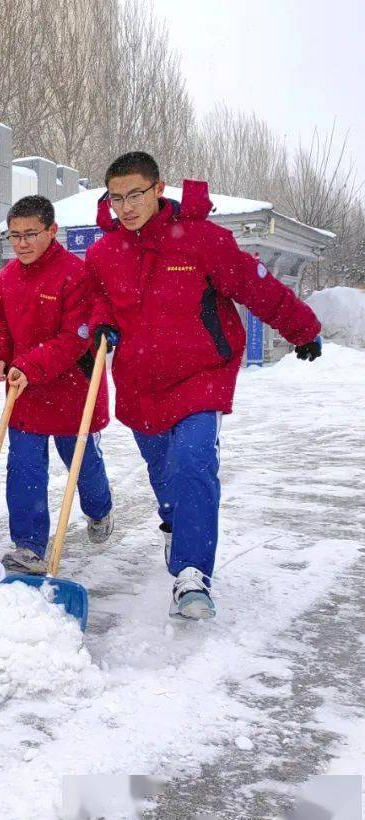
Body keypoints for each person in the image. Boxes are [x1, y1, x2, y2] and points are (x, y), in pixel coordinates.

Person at [86, 151, 323, 620]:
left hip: (201, 376)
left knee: (193, 463)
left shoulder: (201, 239)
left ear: (158, 189)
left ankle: (193, 574)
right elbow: (97, 300)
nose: (127, 206)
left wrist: (301, 327)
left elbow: (255, 285)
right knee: (164, 474)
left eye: (136, 194)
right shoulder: (103, 253)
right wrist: (100, 323)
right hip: (138, 381)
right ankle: (175, 520)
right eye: (117, 198)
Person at [0, 195, 114, 574]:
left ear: (52, 231)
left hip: (73, 391)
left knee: (83, 465)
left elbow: (74, 338)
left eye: (30, 234)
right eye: (14, 236)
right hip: (25, 391)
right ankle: (29, 547)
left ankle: (100, 508)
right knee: (24, 468)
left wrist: (27, 363)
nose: (22, 243)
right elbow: (3, 326)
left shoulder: (76, 275)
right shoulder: (6, 278)